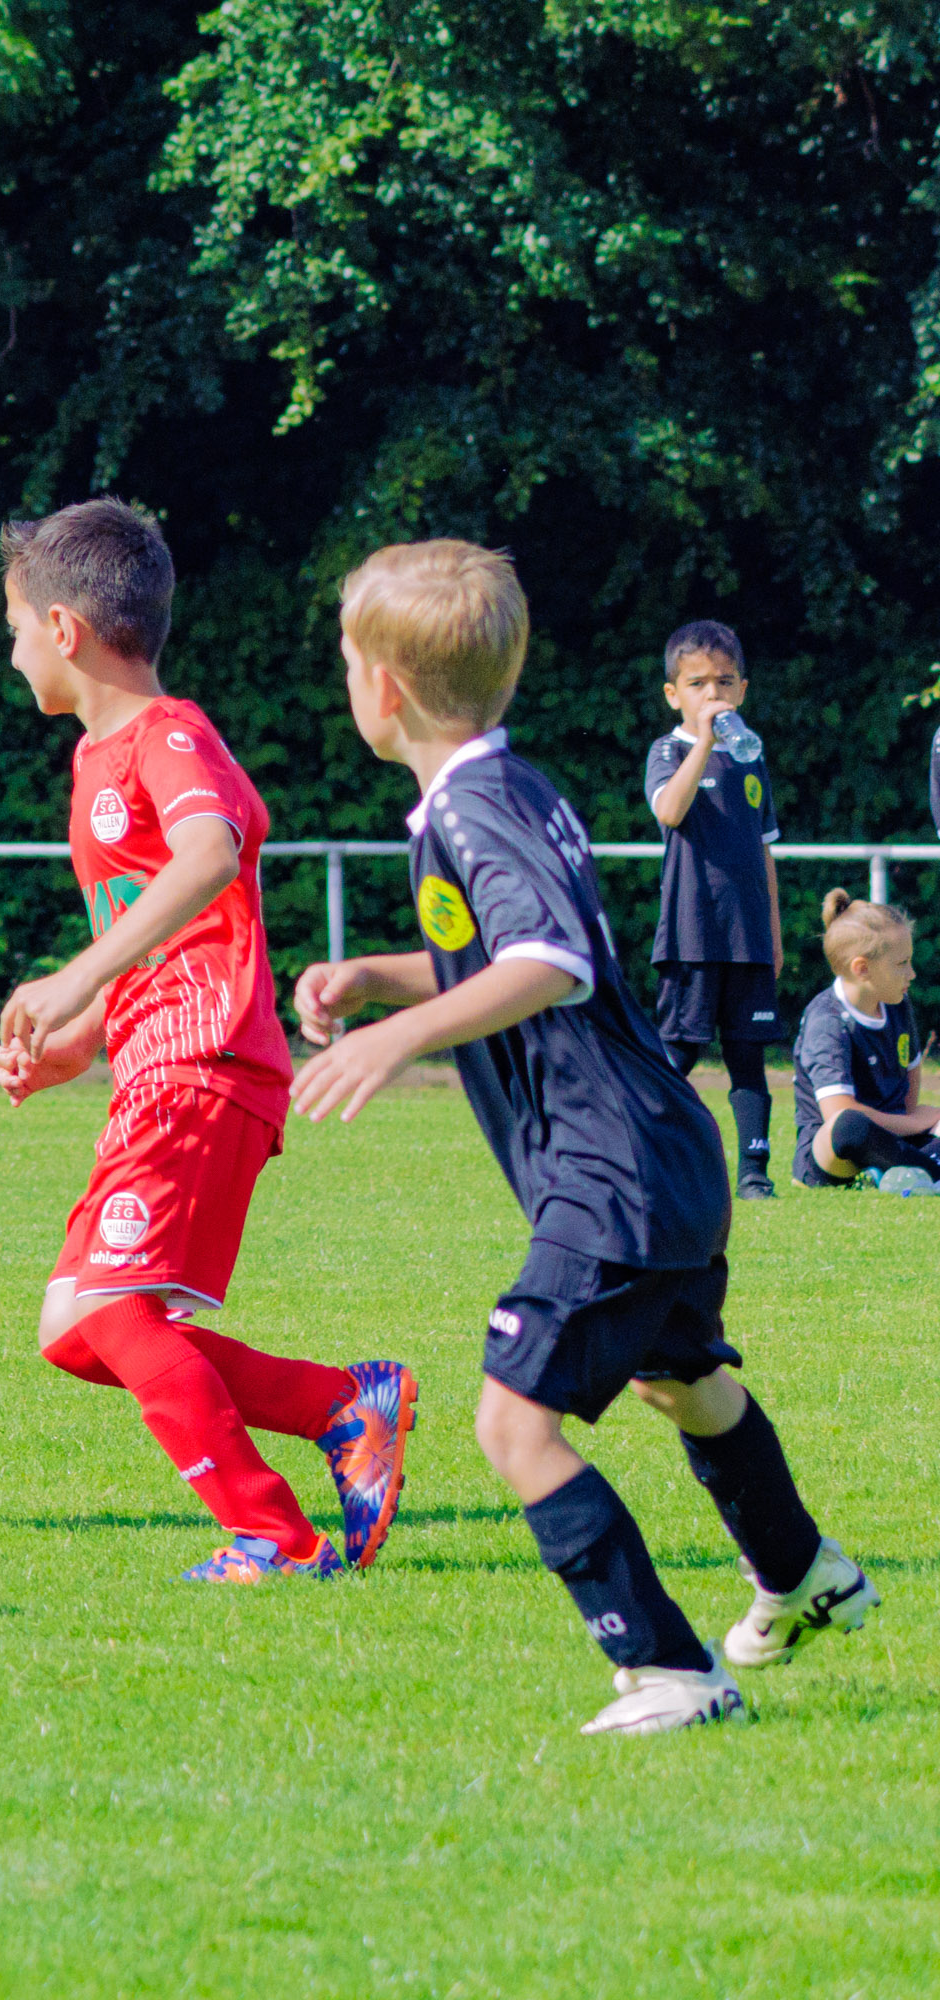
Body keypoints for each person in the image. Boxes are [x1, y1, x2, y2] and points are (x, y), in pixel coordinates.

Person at [294, 539, 877, 1736]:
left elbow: (549, 961)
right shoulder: (509, 788)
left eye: (347, 660)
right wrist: (380, 978)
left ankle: (669, 1669)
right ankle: (804, 1571)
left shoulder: (475, 805)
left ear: (384, 688)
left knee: (512, 1419)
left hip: (610, 1167)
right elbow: (526, 955)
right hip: (660, 1150)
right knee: (683, 1381)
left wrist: (398, 1038)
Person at [0, 499, 416, 1584]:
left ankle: (275, 1535)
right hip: (156, 1062)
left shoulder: (168, 734)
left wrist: (73, 975)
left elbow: (209, 858)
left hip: (203, 1059)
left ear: (63, 628)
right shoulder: (96, 759)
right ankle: (340, 1403)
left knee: (111, 1308)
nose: (13, 651)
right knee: (74, 1326)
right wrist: (77, 1038)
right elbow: (161, 926)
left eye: (16, 628)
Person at [643, 621, 783, 1197]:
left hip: (748, 935)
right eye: (698, 683)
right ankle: (649, 1160)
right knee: (677, 1051)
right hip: (692, 934)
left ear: (742, 690)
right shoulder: (669, 750)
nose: (713, 694)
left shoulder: (752, 757)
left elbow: (765, 851)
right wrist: (703, 742)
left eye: (725, 682)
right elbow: (670, 811)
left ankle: (754, 1174)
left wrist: (773, 936)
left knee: (748, 1056)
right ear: (674, 694)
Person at [790, 889, 938, 1188]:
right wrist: (913, 1123)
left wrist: (915, 1121)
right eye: (901, 964)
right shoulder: (827, 1019)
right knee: (850, 1125)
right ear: (862, 969)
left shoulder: (898, 1004)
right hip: (836, 1153)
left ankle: (900, 1174)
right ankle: (928, 1173)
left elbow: (908, 1091)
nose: (911, 974)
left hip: (895, 1139)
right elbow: (838, 1113)